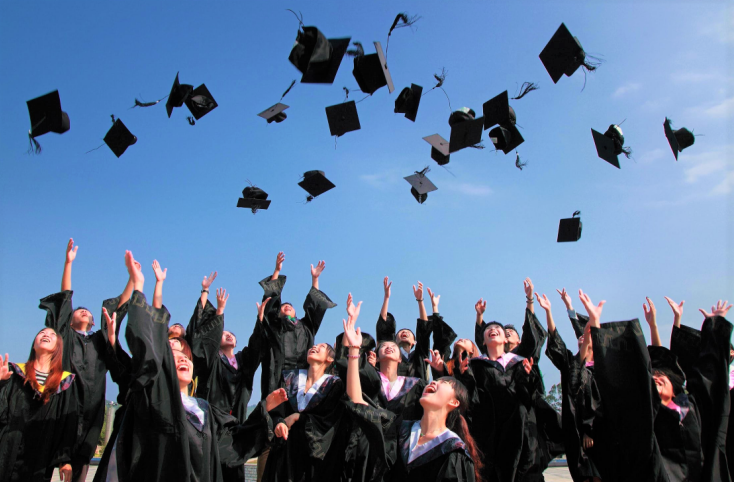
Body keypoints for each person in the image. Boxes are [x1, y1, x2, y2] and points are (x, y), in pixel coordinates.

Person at [105, 251, 287, 482]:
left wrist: (264, 411)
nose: (182, 358)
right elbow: (148, 349)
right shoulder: (155, 398)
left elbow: (231, 444)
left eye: (185, 356)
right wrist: (141, 287)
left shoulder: (203, 412)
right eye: (173, 354)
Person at [342, 296, 481, 482]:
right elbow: (359, 403)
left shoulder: (455, 451)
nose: (433, 383)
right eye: (435, 381)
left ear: (454, 402)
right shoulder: (398, 430)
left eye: (443, 383)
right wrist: (353, 349)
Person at [38, 239, 133, 482]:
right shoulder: (66, 337)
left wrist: (133, 278)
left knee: (80, 467)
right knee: (47, 461)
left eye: (88, 312)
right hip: (63, 403)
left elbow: (119, 308)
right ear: (69, 320)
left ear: (93, 322)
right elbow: (65, 298)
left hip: (92, 406)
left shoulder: (100, 340)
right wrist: (68, 264)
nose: (84, 311)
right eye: (79, 310)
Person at [576, 290, 668, 482]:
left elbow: (658, 363)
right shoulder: (614, 399)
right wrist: (594, 323)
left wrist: (653, 326)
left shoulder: (648, 403)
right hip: (614, 446)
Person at [457, 309, 537, 482]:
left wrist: (527, 377)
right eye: (488, 329)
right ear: (483, 341)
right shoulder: (476, 365)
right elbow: (471, 398)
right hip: (485, 430)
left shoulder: (517, 362)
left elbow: (527, 397)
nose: (492, 329)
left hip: (516, 428)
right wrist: (465, 376)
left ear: (505, 339)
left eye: (497, 328)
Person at [667, 298, 733, 482]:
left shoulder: (689, 405)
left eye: (661, 377)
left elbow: (705, 382)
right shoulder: (658, 410)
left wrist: (713, 328)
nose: (656, 378)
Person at [0, 328, 78, 482]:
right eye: (42, 333)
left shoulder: (65, 382)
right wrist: (1, 383)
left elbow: (68, 423)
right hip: (7, 450)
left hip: (41, 455)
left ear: (58, 348)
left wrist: (65, 459)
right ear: (34, 345)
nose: (46, 335)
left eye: (52, 334)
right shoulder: (13, 373)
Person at [263, 339, 346, 482]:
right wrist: (279, 422)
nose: (315, 346)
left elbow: (330, 421)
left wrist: (299, 417)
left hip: (314, 457)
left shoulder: (334, 385)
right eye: (314, 345)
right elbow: (276, 409)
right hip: (285, 451)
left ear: (330, 358)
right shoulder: (289, 378)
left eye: (322, 346)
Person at [544, 289, 604, 482]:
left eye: (585, 335)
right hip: (575, 432)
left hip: (599, 431)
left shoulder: (604, 367)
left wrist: (590, 429)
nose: (581, 336)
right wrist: (550, 311)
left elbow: (599, 400)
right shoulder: (573, 364)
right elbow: (557, 341)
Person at [375, 278, 433, 380]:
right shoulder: (389, 354)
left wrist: (420, 300)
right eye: (401, 332)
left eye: (408, 332)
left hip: (416, 394)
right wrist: (386, 297)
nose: (405, 332)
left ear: (414, 342)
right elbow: (383, 328)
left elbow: (424, 329)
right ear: (395, 341)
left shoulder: (419, 355)